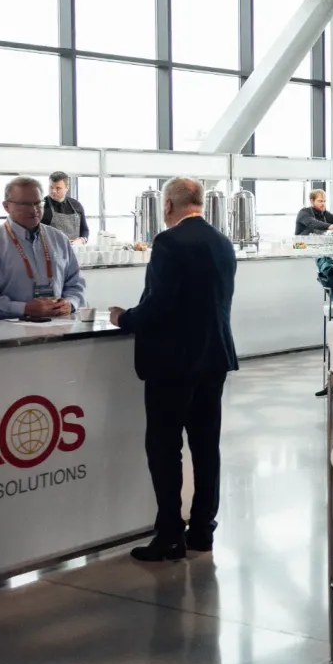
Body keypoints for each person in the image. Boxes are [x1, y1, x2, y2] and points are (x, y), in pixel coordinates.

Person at [108, 178, 239, 562]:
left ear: (167, 206)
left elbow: (159, 305)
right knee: (205, 445)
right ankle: (202, 529)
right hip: (214, 356)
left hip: (173, 361)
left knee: (165, 447)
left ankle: (169, 534)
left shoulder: (168, 243)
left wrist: (123, 318)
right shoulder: (222, 241)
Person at [0, 176, 86, 320]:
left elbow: (76, 283)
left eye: (38, 203)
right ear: (6, 206)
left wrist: (71, 303)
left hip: (58, 328)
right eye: (26, 204)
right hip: (8, 334)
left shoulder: (59, 239)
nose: (34, 210)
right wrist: (24, 308)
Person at [41, 172, 90, 243]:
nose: (53, 191)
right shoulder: (41, 206)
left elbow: (85, 230)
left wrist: (82, 240)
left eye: (58, 188)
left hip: (73, 250)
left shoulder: (77, 205)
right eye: (51, 187)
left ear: (67, 188)